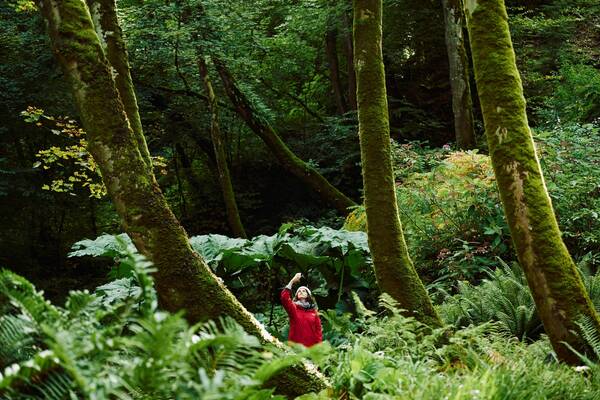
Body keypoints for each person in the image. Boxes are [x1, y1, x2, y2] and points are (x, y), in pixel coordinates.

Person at [280, 272, 323, 347]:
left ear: (308, 295)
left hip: (310, 349)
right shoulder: (294, 308)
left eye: (304, 291)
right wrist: (292, 281)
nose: (301, 292)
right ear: (296, 295)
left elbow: (318, 332)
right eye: (299, 291)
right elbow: (284, 298)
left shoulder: (314, 313)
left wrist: (318, 348)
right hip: (295, 347)